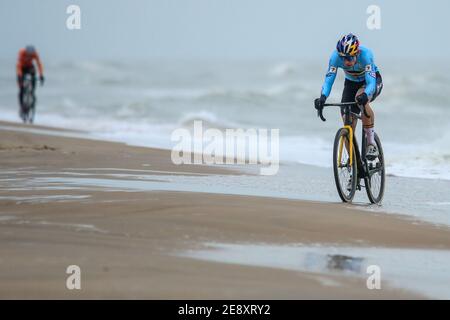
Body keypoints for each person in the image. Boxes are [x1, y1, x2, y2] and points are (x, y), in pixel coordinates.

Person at [314, 33, 383, 160]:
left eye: (350, 58)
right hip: (351, 83)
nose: (347, 62)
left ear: (357, 53)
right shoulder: (335, 58)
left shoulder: (366, 55)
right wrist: (323, 97)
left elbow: (371, 83)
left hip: (370, 82)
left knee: (360, 98)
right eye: (344, 58)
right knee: (347, 121)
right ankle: (354, 163)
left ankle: (371, 143)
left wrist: (366, 96)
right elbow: (329, 80)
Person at [16, 45, 45, 118]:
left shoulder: (35, 53)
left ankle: (32, 97)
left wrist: (41, 75)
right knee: (21, 89)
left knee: (33, 84)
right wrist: (19, 76)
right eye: (28, 54)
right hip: (22, 68)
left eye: (30, 55)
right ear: (26, 52)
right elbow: (18, 65)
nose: (29, 56)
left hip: (30, 67)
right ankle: (22, 106)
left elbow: (39, 64)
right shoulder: (22, 52)